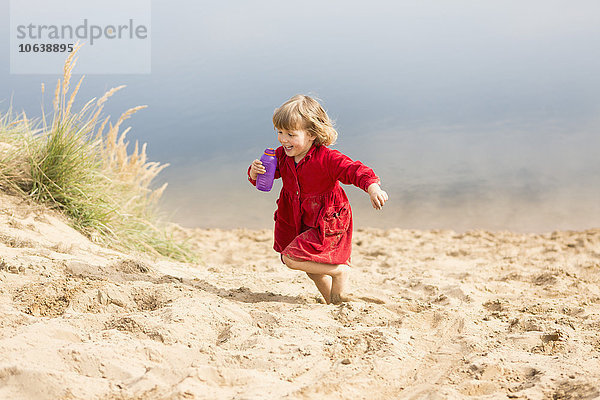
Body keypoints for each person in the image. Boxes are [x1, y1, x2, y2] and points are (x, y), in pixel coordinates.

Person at [248, 94, 388, 304]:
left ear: (312, 134)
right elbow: (264, 181)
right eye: (280, 132)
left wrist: (372, 187)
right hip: (299, 217)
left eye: (291, 134)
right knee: (312, 268)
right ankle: (333, 300)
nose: (283, 139)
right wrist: (254, 172)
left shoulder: (327, 158)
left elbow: (353, 170)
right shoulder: (281, 156)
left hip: (326, 218)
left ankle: (340, 271)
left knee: (292, 258)